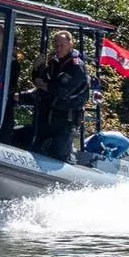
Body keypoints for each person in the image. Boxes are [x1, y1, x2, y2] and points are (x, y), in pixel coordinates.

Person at [27, 30, 89, 162]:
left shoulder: (76, 66)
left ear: (70, 44)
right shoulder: (54, 62)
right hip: (49, 114)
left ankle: (69, 166)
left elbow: (59, 90)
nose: (58, 48)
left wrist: (42, 85)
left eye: (62, 45)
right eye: (56, 45)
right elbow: (41, 81)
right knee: (38, 142)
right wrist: (36, 69)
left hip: (66, 118)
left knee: (60, 153)